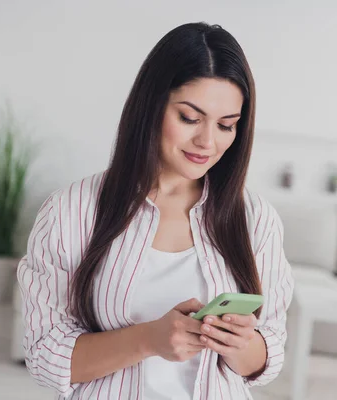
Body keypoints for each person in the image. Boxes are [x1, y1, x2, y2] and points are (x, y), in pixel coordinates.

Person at [18, 22, 294, 400]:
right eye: (189, 118)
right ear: (152, 106)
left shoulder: (255, 219)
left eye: (227, 125)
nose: (208, 142)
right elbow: (44, 354)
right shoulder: (71, 211)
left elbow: (268, 358)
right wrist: (148, 339)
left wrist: (239, 344)